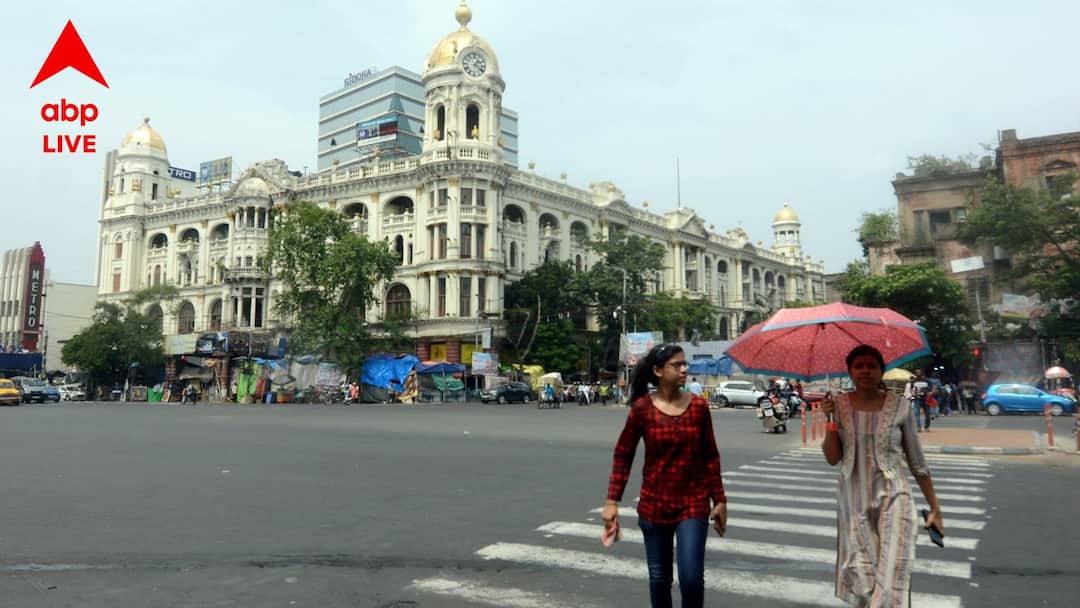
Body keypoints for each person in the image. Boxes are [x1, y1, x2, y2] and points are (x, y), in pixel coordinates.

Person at [603, 343, 727, 608]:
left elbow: (710, 455)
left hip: (693, 502)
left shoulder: (698, 407)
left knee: (691, 579)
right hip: (654, 504)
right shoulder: (642, 409)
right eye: (677, 365)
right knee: (659, 579)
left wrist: (719, 500)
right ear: (658, 371)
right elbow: (623, 454)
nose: (684, 369)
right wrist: (612, 502)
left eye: (685, 364)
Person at [820, 344, 944, 607]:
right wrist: (829, 420)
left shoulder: (900, 406)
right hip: (853, 500)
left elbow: (917, 461)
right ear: (850, 372)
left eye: (871, 366)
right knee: (863, 578)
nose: (865, 371)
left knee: (892, 576)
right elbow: (832, 458)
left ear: (881, 371)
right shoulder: (838, 405)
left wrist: (935, 507)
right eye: (859, 366)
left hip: (895, 495)